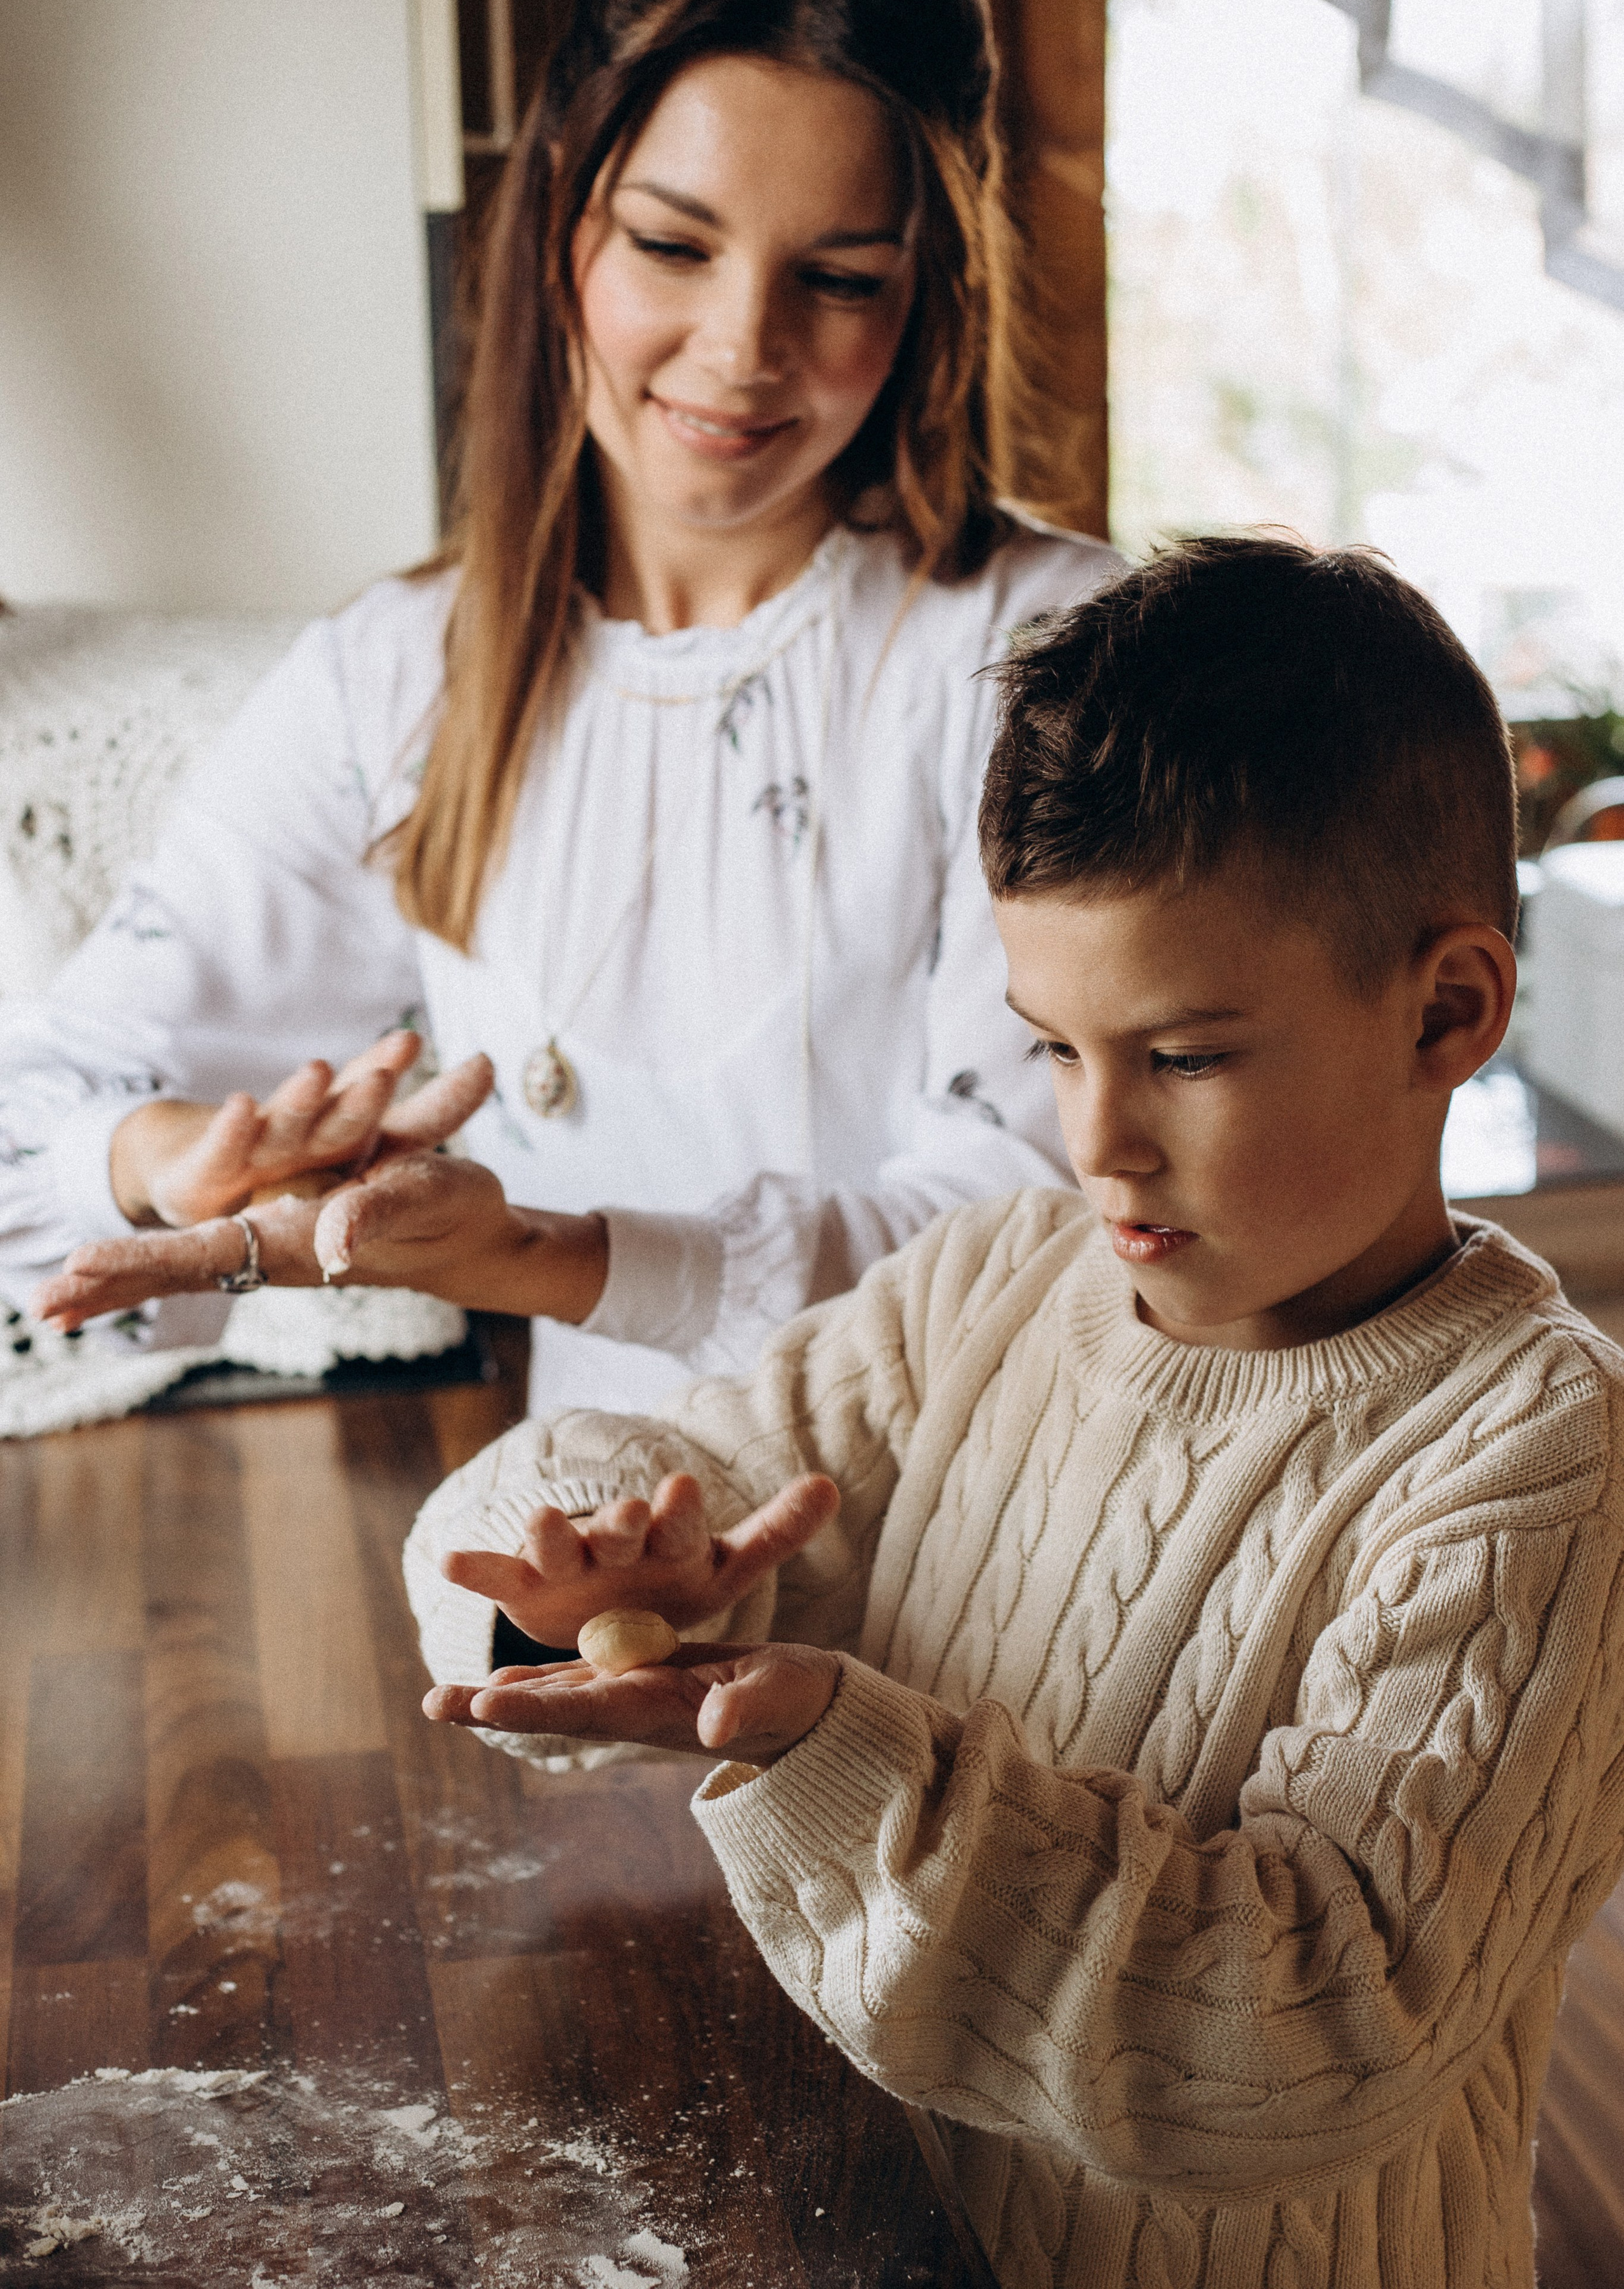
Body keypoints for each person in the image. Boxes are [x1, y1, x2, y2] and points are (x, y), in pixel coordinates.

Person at [411, 535, 1624, 2289]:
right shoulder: (996, 1281)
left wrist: (841, 1766)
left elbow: (1298, 2043)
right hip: (895, 2234)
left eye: (1185, 1057)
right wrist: (586, 1573)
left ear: (1447, 1011)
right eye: (1055, 1046)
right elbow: (657, 1472)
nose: (1098, 1142)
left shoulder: (1534, 1462)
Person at [1, 0, 1115, 1417]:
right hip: (580, 1531)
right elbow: (34, 1114)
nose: (741, 347)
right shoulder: (400, 678)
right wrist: (166, 1155)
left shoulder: (1044, 654)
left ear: (927, 294)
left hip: (986, 1516)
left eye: (838, 279)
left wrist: (548, 1257)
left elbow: (1038, 1233)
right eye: (672, 246)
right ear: (558, 223)